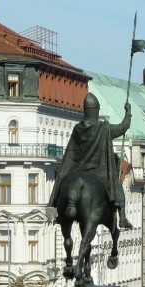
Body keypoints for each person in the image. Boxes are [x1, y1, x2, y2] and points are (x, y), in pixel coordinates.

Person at [49, 93, 133, 229]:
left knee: (63, 181)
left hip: (78, 169)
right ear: (96, 110)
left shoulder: (78, 129)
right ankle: (122, 219)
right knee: (118, 190)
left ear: (85, 111)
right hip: (99, 172)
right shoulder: (103, 128)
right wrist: (128, 113)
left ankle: (59, 209)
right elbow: (122, 127)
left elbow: (71, 153)